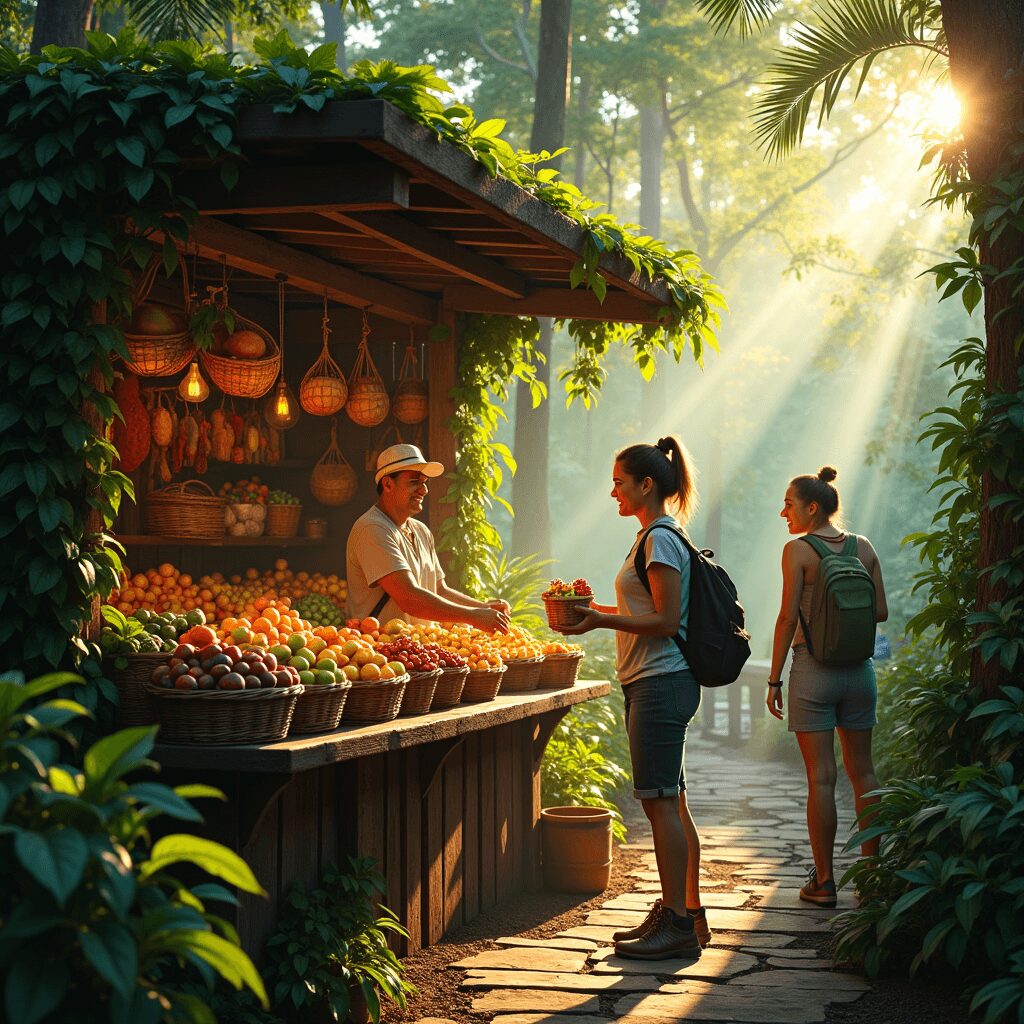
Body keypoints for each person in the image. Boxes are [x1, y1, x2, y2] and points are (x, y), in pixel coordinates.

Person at [557, 436, 709, 960]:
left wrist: (600, 619)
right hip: (655, 680)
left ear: (647, 485)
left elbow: (667, 621)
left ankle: (678, 923)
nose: (613, 491)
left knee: (659, 802)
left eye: (620, 482)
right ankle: (685, 912)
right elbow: (648, 609)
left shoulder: (661, 539)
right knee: (672, 800)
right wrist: (589, 608)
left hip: (661, 681)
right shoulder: (653, 536)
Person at [767, 466, 888, 908]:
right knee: (865, 773)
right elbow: (880, 612)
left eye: (788, 503)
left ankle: (824, 883)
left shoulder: (797, 551)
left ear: (811, 507)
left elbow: (786, 620)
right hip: (860, 673)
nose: (784, 512)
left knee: (821, 778)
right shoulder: (864, 547)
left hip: (813, 672)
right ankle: (874, 879)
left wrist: (774, 677)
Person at [346, 443, 510, 633]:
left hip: (418, 649)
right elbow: (409, 599)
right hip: (379, 653)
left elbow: (439, 590)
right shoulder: (372, 528)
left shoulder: (420, 531)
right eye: (414, 482)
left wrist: (484, 608)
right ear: (388, 484)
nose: (423, 490)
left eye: (424, 482)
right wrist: (473, 616)